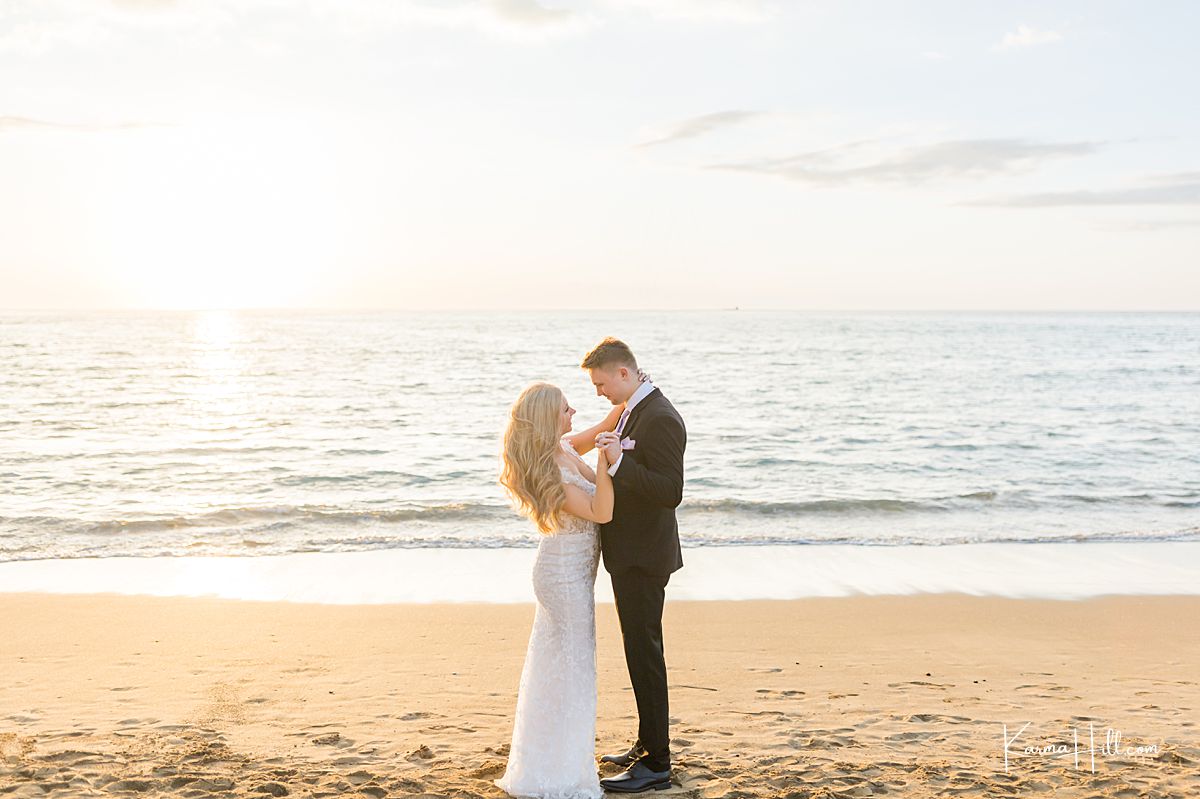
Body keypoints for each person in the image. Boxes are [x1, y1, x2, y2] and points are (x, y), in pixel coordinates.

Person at [494, 382, 624, 799]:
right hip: (562, 576)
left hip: (570, 575)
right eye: (567, 409)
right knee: (571, 671)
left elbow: (608, 421)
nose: (573, 413)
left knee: (563, 669)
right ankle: (559, 771)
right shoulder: (550, 469)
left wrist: (632, 391)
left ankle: (555, 758)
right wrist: (608, 458)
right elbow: (601, 511)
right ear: (551, 417)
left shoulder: (564, 447)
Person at [582, 338, 686, 794]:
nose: (599, 392)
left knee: (646, 657)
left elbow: (669, 492)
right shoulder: (633, 408)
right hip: (630, 555)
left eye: (601, 383)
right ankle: (646, 745)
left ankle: (657, 765)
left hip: (644, 556)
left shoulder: (661, 417)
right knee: (638, 653)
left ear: (623, 373)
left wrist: (618, 461)